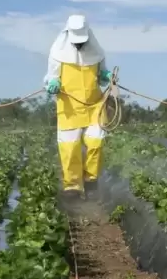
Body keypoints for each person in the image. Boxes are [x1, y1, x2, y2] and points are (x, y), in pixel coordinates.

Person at [43, 14, 114, 198]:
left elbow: (103, 74)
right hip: (69, 107)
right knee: (69, 147)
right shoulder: (57, 53)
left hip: (94, 104)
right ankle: (73, 186)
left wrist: (106, 76)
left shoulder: (97, 53)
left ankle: (91, 179)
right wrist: (52, 84)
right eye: (76, 42)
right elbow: (50, 77)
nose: (79, 45)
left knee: (96, 143)